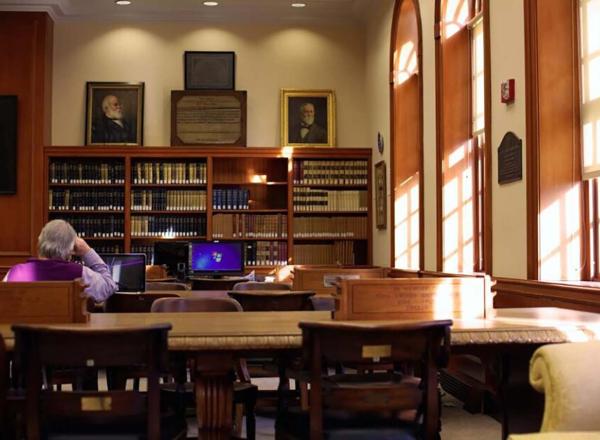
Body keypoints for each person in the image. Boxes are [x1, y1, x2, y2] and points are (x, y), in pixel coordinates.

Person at [3, 219, 117, 303]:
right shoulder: (81, 273)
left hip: (26, 335)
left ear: (39, 242)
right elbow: (109, 286)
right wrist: (87, 251)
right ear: (71, 248)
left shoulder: (15, 272)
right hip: (66, 335)